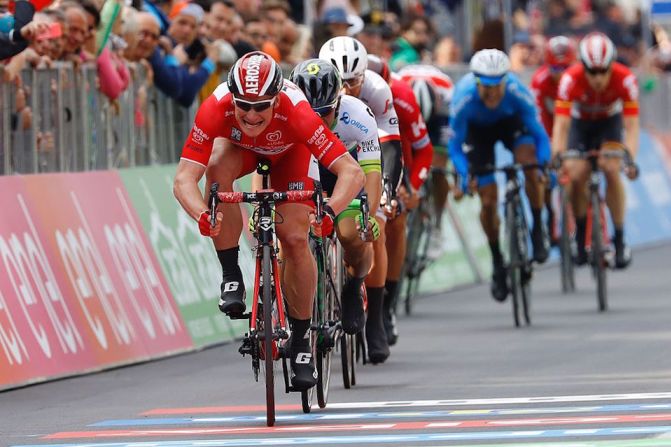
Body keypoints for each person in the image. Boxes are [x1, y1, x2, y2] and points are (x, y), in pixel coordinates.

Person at [173, 52, 365, 390]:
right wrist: (203, 215)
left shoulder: (298, 110)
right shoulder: (214, 107)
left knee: (293, 237)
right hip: (240, 151)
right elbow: (184, 179)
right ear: (232, 97)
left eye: (261, 106)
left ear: (277, 99)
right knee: (217, 175)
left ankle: (302, 341)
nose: (250, 114)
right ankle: (231, 275)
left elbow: (351, 172)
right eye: (243, 105)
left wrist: (330, 211)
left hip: (291, 153)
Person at [319, 36, 402, 364]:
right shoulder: (311, 88)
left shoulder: (378, 92)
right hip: (323, 163)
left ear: (364, 76)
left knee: (375, 229)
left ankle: (376, 319)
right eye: (340, 83)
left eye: (353, 81)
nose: (345, 90)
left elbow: (391, 148)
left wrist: (384, 195)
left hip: (366, 160)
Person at [449, 49, 551, 303]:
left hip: (511, 124)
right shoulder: (463, 99)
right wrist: (464, 175)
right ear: (476, 82)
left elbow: (540, 135)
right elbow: (454, 146)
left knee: (528, 163)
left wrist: (542, 166)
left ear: (506, 80)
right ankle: (497, 260)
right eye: (486, 87)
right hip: (477, 134)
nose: (493, 93)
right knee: (488, 199)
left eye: (498, 86)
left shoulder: (518, 93)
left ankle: (537, 225)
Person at [289, 58, 382, 336]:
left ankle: (354, 286)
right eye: (310, 112)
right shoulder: (285, 112)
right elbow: (267, 164)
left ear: (339, 101)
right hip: (306, 169)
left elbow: (371, 171)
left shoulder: (358, 114)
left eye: (325, 112)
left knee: (352, 232)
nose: (317, 120)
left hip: (346, 171)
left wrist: (371, 215)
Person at [551, 32, 639, 269]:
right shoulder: (570, 79)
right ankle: (581, 233)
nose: (598, 78)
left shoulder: (626, 79)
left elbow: (631, 127)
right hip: (580, 126)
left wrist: (629, 159)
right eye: (592, 72)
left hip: (609, 124)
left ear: (612, 65)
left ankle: (619, 237)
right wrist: (557, 155)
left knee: (611, 168)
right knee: (576, 174)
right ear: (583, 66)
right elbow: (561, 125)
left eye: (603, 71)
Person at [367, 55, 435, 347]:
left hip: (394, 154)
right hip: (350, 151)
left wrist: (413, 186)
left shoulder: (402, 97)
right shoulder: (338, 93)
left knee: (395, 222)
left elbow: (424, 149)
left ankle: (387, 306)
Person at [397, 64, 454, 261]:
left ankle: (437, 223)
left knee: (438, 168)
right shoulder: (398, 88)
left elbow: (445, 147)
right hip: (408, 111)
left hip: (439, 118)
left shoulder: (448, 95)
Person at [530, 35, 577, 246]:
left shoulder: (580, 78)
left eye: (566, 68)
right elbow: (537, 119)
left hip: (575, 129)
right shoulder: (539, 82)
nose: (561, 75)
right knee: (544, 172)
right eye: (556, 69)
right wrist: (547, 149)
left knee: (578, 173)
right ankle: (549, 213)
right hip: (548, 129)